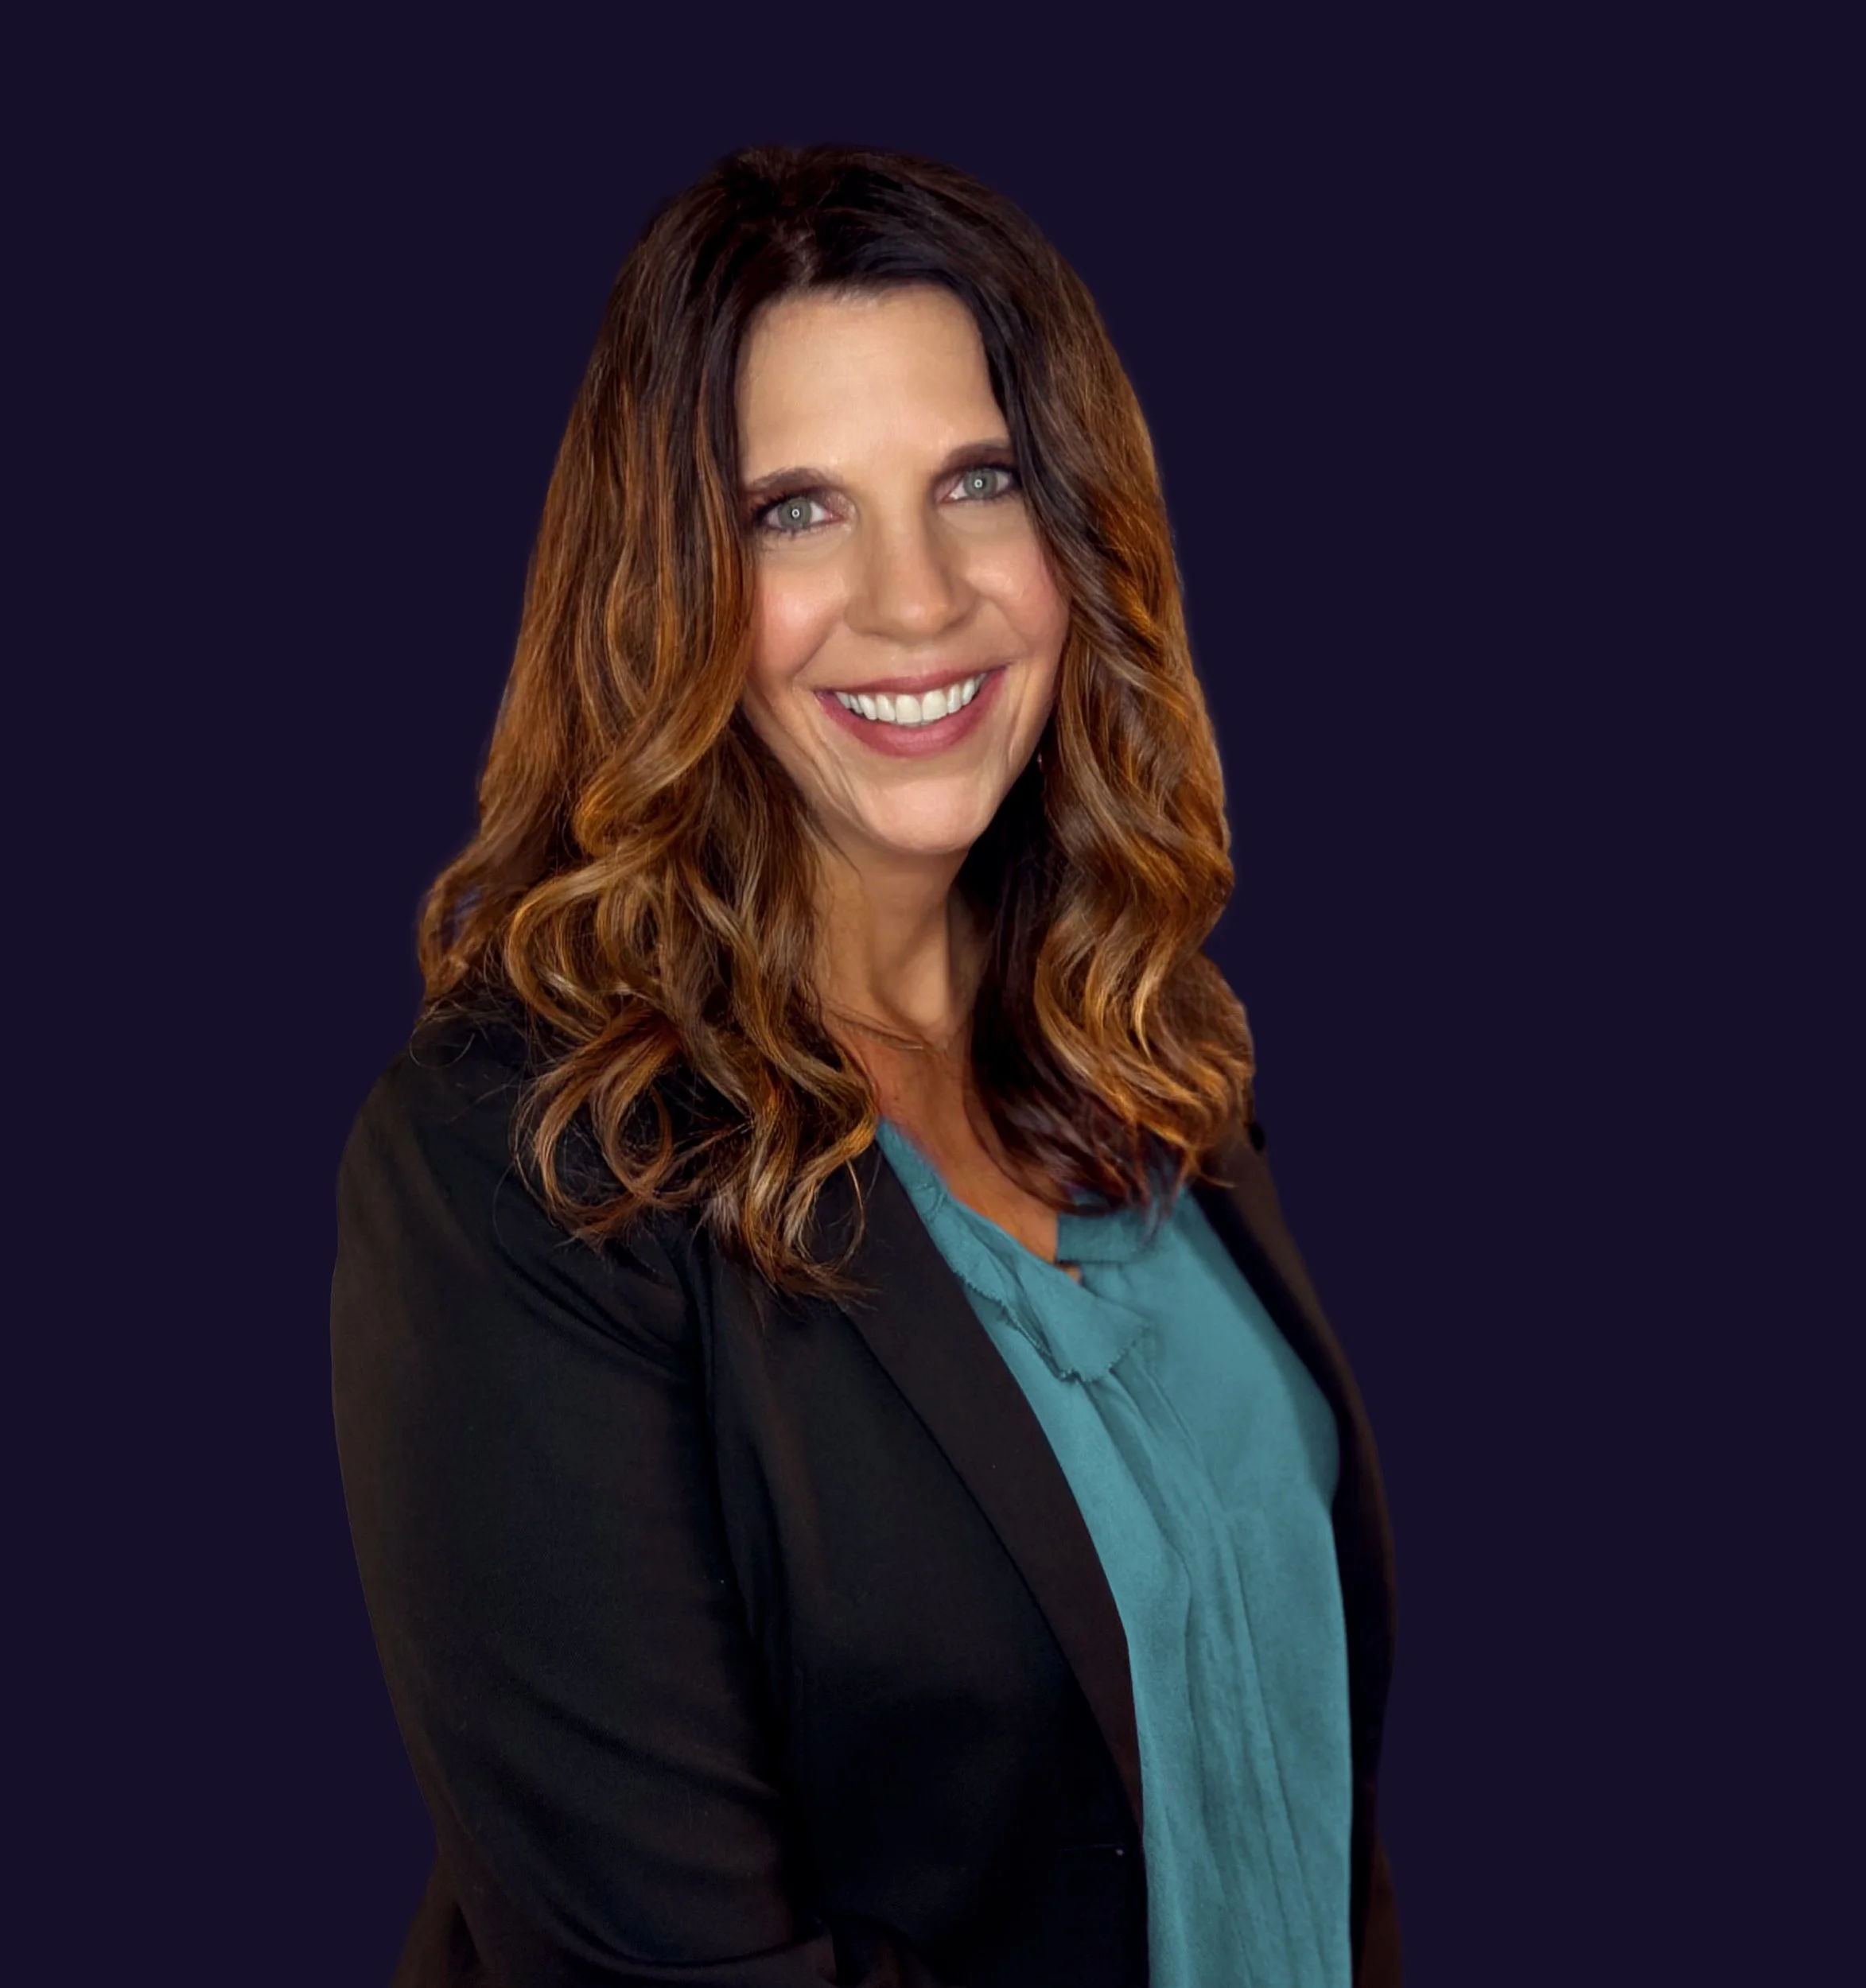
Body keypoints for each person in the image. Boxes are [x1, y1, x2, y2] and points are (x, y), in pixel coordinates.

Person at [332, 141, 1401, 1988]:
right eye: (793, 512)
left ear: (1076, 531)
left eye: (975, 481)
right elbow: (651, 1964)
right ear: (663, 585)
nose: (914, 601)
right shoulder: (522, 1156)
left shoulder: (1149, 1066)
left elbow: (1282, 1797)